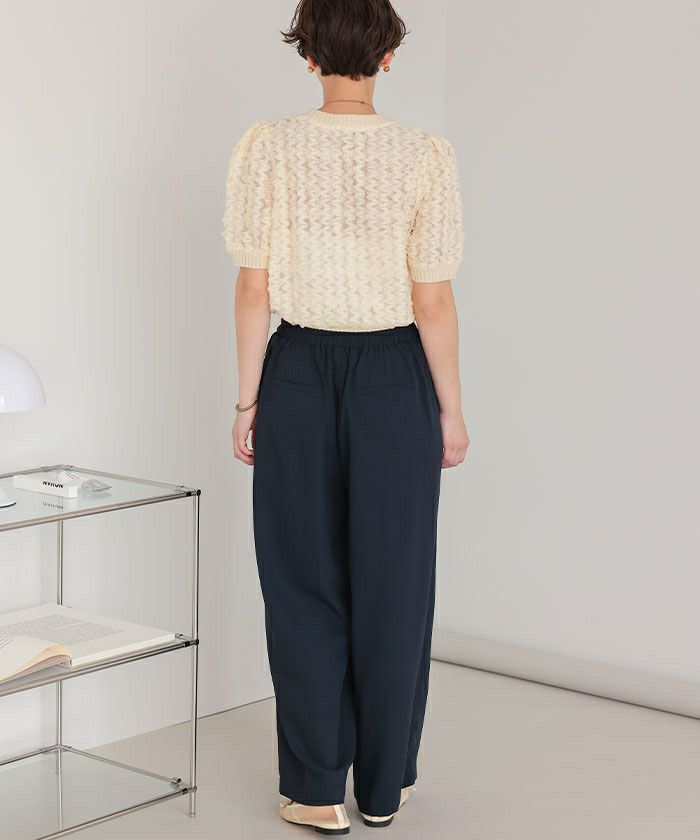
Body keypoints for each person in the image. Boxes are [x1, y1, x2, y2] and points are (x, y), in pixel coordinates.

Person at [223, 0, 469, 832]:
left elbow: (253, 287)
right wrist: (451, 411)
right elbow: (433, 300)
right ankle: (383, 788)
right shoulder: (424, 155)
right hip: (396, 378)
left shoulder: (268, 147)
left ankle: (316, 788)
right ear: (388, 56)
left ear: (308, 57)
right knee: (396, 580)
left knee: (302, 580)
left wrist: (248, 399)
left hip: (296, 371)